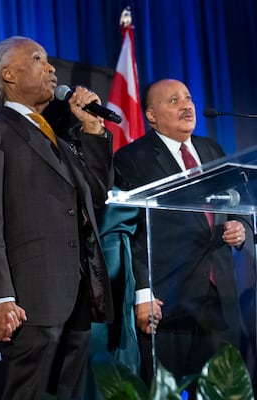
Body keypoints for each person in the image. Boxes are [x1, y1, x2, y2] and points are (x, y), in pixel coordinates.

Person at [0, 35, 114, 400]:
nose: (51, 68)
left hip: (76, 293)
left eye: (49, 60)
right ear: (9, 75)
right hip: (29, 300)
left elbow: (96, 196)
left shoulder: (58, 139)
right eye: (37, 59)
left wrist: (92, 129)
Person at [114, 78, 248, 387]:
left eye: (187, 98)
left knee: (224, 388)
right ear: (151, 115)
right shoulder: (132, 158)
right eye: (173, 100)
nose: (186, 105)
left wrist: (241, 229)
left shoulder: (211, 149)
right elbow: (131, 232)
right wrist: (143, 293)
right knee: (166, 390)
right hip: (168, 300)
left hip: (219, 296)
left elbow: (240, 204)